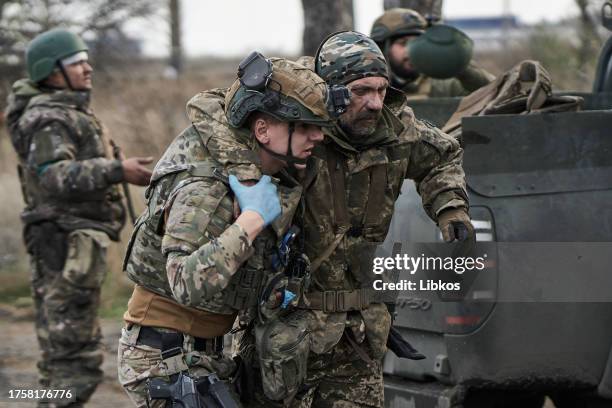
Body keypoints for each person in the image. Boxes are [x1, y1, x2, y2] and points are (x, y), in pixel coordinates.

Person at [249, 31, 474, 408]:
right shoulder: (294, 129)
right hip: (287, 331)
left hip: (359, 333)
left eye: (381, 90)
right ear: (332, 91)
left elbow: (443, 157)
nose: (374, 103)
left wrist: (450, 206)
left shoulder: (398, 130)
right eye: (360, 91)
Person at [117, 54, 335, 407]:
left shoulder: (258, 168)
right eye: (305, 126)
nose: (318, 136)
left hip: (205, 354)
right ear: (262, 130)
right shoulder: (206, 188)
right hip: (165, 358)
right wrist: (251, 219)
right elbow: (185, 282)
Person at [5, 29, 152, 406]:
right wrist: (117, 171)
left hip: (74, 247)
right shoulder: (48, 118)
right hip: (63, 246)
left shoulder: (67, 110)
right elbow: (52, 176)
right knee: (74, 364)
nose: (88, 68)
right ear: (51, 72)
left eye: (86, 59)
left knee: (69, 359)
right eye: (76, 63)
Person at [370, 8, 494, 98]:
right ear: (382, 48)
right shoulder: (369, 89)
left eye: (418, 43)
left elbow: (494, 92)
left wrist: (459, 64)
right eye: (404, 43)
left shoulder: (441, 86)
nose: (412, 51)